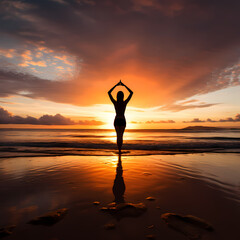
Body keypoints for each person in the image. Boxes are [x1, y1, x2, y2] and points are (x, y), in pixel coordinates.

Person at [108, 80, 133, 153]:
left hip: (117, 120)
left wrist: (115, 85)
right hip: (122, 120)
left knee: (117, 136)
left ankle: (118, 150)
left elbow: (109, 93)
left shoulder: (115, 103)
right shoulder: (124, 102)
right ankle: (120, 150)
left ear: (117, 96)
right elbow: (131, 93)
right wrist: (124, 86)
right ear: (123, 96)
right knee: (121, 136)